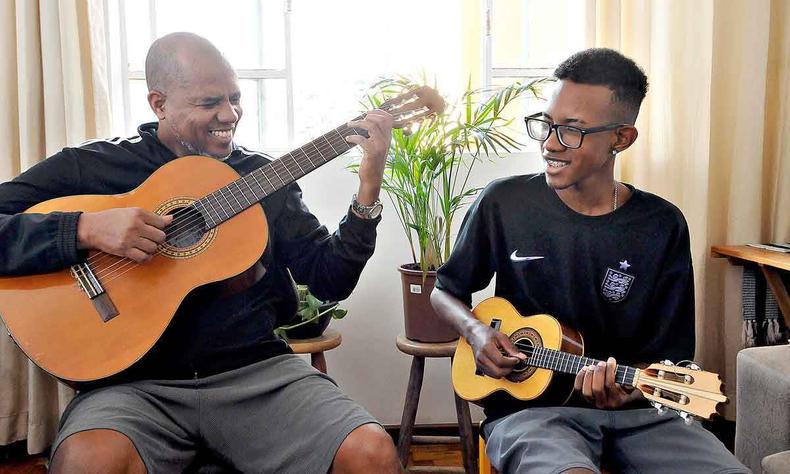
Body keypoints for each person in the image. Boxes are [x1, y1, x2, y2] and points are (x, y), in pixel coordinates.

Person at [0, 32, 401, 473]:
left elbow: (330, 280)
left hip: (256, 374)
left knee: (372, 453)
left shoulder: (261, 176)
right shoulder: (93, 167)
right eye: (209, 102)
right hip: (131, 386)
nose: (228, 115)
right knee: (88, 462)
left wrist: (368, 190)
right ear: (159, 103)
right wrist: (85, 228)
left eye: (234, 98)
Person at [431, 48, 749, 473]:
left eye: (571, 132)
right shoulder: (504, 202)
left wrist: (629, 391)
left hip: (644, 419)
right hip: (532, 417)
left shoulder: (663, 225)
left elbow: (671, 363)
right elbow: (444, 291)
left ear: (621, 139)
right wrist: (475, 331)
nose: (549, 143)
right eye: (546, 125)